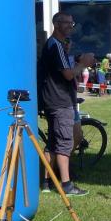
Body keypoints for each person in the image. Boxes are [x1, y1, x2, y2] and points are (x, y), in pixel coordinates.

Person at [37, 12, 93, 196]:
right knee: (64, 143)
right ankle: (66, 184)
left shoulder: (54, 45)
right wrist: (83, 63)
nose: (70, 26)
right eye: (66, 23)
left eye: (72, 23)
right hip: (60, 102)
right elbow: (68, 74)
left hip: (54, 101)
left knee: (53, 143)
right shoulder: (56, 45)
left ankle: (47, 182)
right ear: (56, 24)